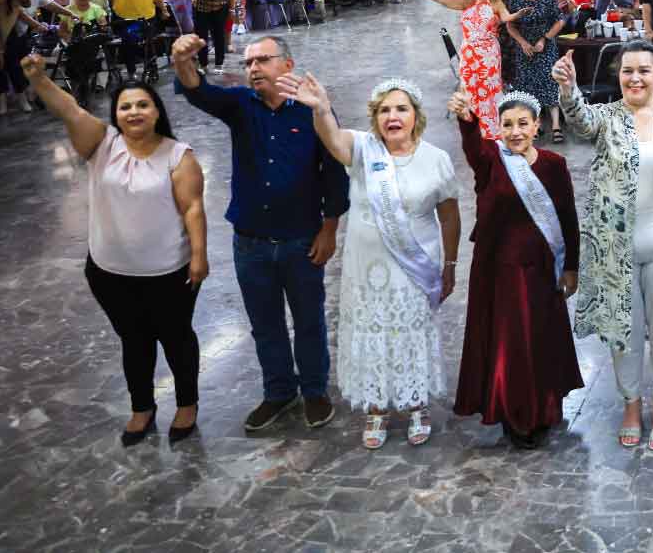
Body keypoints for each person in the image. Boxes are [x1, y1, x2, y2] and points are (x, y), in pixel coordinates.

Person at [22, 55, 206, 445]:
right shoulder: (101, 144)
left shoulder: (178, 155)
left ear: (157, 111)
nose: (134, 112)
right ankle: (142, 407)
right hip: (109, 273)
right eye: (125, 106)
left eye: (143, 104)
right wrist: (39, 79)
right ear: (116, 114)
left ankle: (187, 403)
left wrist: (199, 256)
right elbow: (70, 109)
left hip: (168, 273)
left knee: (176, 339)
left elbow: (192, 208)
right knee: (133, 340)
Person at [171, 33, 349, 432]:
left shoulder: (314, 110)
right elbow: (199, 92)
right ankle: (279, 391)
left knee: (309, 320)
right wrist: (182, 61)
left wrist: (329, 229)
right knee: (265, 323)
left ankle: (314, 390)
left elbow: (335, 174)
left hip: (302, 240)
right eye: (248, 63)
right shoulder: (240, 105)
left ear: (287, 65)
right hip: (250, 242)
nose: (253, 69)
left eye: (262, 60)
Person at [279, 74, 462, 449]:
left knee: (410, 333)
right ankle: (377, 408)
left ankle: (416, 405)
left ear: (416, 115)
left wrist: (450, 265)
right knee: (373, 333)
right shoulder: (364, 150)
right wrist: (322, 109)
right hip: (366, 269)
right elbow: (332, 138)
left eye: (401, 109)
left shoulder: (436, 159)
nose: (392, 117)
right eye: (384, 110)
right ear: (375, 117)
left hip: (414, 268)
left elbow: (449, 217)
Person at [552, 43, 653, 452]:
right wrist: (568, 89)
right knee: (624, 333)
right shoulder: (606, 118)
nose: (635, 78)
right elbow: (579, 121)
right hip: (615, 249)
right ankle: (631, 405)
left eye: (643, 70)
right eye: (627, 71)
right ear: (618, 76)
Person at [447, 87, 584, 448]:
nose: (515, 131)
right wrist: (467, 121)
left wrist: (571, 266)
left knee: (541, 339)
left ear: (537, 125)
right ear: (499, 128)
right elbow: (473, 148)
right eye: (507, 124)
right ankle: (515, 414)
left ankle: (545, 407)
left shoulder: (554, 165)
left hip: (540, 270)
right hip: (500, 271)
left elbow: (567, 217)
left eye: (523, 123)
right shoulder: (491, 158)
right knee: (511, 344)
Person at [404, 0, 523, 139]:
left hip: (488, 55)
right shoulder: (467, 2)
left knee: (489, 91)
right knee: (470, 90)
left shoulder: (496, 3)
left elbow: (506, 18)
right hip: (468, 55)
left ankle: (492, 132)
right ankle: (474, 131)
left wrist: (517, 15)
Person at [502, 0, 566, 142]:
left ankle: (555, 125)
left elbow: (560, 20)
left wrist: (544, 38)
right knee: (528, 86)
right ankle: (535, 124)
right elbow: (510, 25)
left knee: (550, 81)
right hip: (525, 49)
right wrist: (523, 43)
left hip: (546, 46)